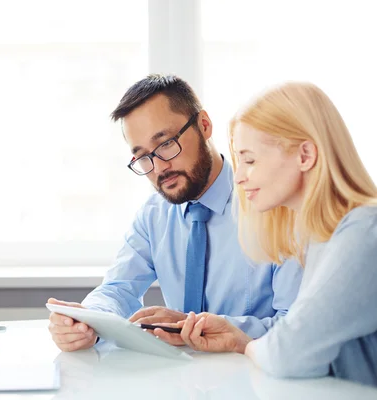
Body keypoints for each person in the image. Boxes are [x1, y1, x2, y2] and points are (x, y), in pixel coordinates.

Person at [47, 74, 302, 352]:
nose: (158, 168)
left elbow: (295, 326)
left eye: (166, 144)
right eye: (143, 156)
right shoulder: (154, 215)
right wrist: (87, 322)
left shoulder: (274, 205)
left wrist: (201, 326)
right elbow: (118, 288)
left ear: (204, 125)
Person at [153, 82, 377, 387]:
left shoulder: (364, 232)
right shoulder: (323, 237)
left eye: (250, 160)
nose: (240, 176)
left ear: (305, 155)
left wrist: (248, 346)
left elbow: (288, 352)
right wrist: (238, 339)